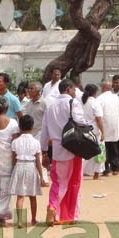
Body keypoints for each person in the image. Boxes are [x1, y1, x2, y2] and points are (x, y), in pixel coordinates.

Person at [41, 78, 86, 225]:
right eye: (73, 89)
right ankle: (68, 215)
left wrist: (44, 151)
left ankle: (53, 207)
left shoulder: (50, 107)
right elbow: (81, 123)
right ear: (68, 89)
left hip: (57, 150)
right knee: (74, 183)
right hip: (74, 149)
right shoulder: (73, 103)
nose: (74, 92)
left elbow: (44, 131)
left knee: (57, 182)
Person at [10, 114, 47, 227]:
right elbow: (38, 161)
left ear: (20, 127)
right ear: (32, 127)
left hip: (19, 166)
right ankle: (33, 219)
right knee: (32, 196)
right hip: (31, 167)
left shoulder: (15, 142)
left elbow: (13, 158)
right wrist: (41, 176)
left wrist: (13, 171)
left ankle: (20, 220)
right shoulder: (36, 142)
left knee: (20, 196)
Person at [97, 80, 119, 176]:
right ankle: (115, 168)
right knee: (114, 146)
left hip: (104, 125)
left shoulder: (99, 98)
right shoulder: (116, 98)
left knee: (104, 147)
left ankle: (106, 168)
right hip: (114, 125)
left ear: (103, 88)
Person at [82, 84, 105, 179]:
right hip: (95, 131)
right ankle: (96, 173)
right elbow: (98, 119)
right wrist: (103, 132)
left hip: (84, 130)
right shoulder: (95, 103)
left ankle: (81, 171)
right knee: (99, 152)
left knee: (84, 152)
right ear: (95, 92)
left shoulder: (82, 102)